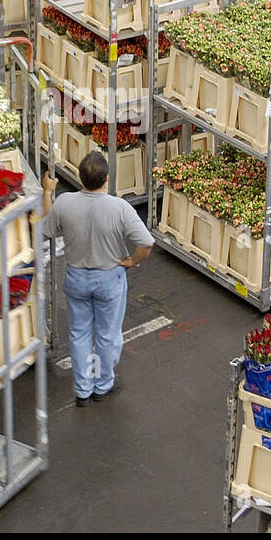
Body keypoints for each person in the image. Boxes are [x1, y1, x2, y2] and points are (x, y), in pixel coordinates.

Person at [42, 151, 153, 407]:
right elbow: (146, 243)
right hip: (108, 279)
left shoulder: (66, 202)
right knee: (107, 335)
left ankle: (82, 390)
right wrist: (131, 261)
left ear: (80, 178)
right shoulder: (119, 208)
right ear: (106, 179)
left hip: (76, 278)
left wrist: (48, 192)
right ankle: (103, 385)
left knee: (79, 334)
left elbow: (47, 227)